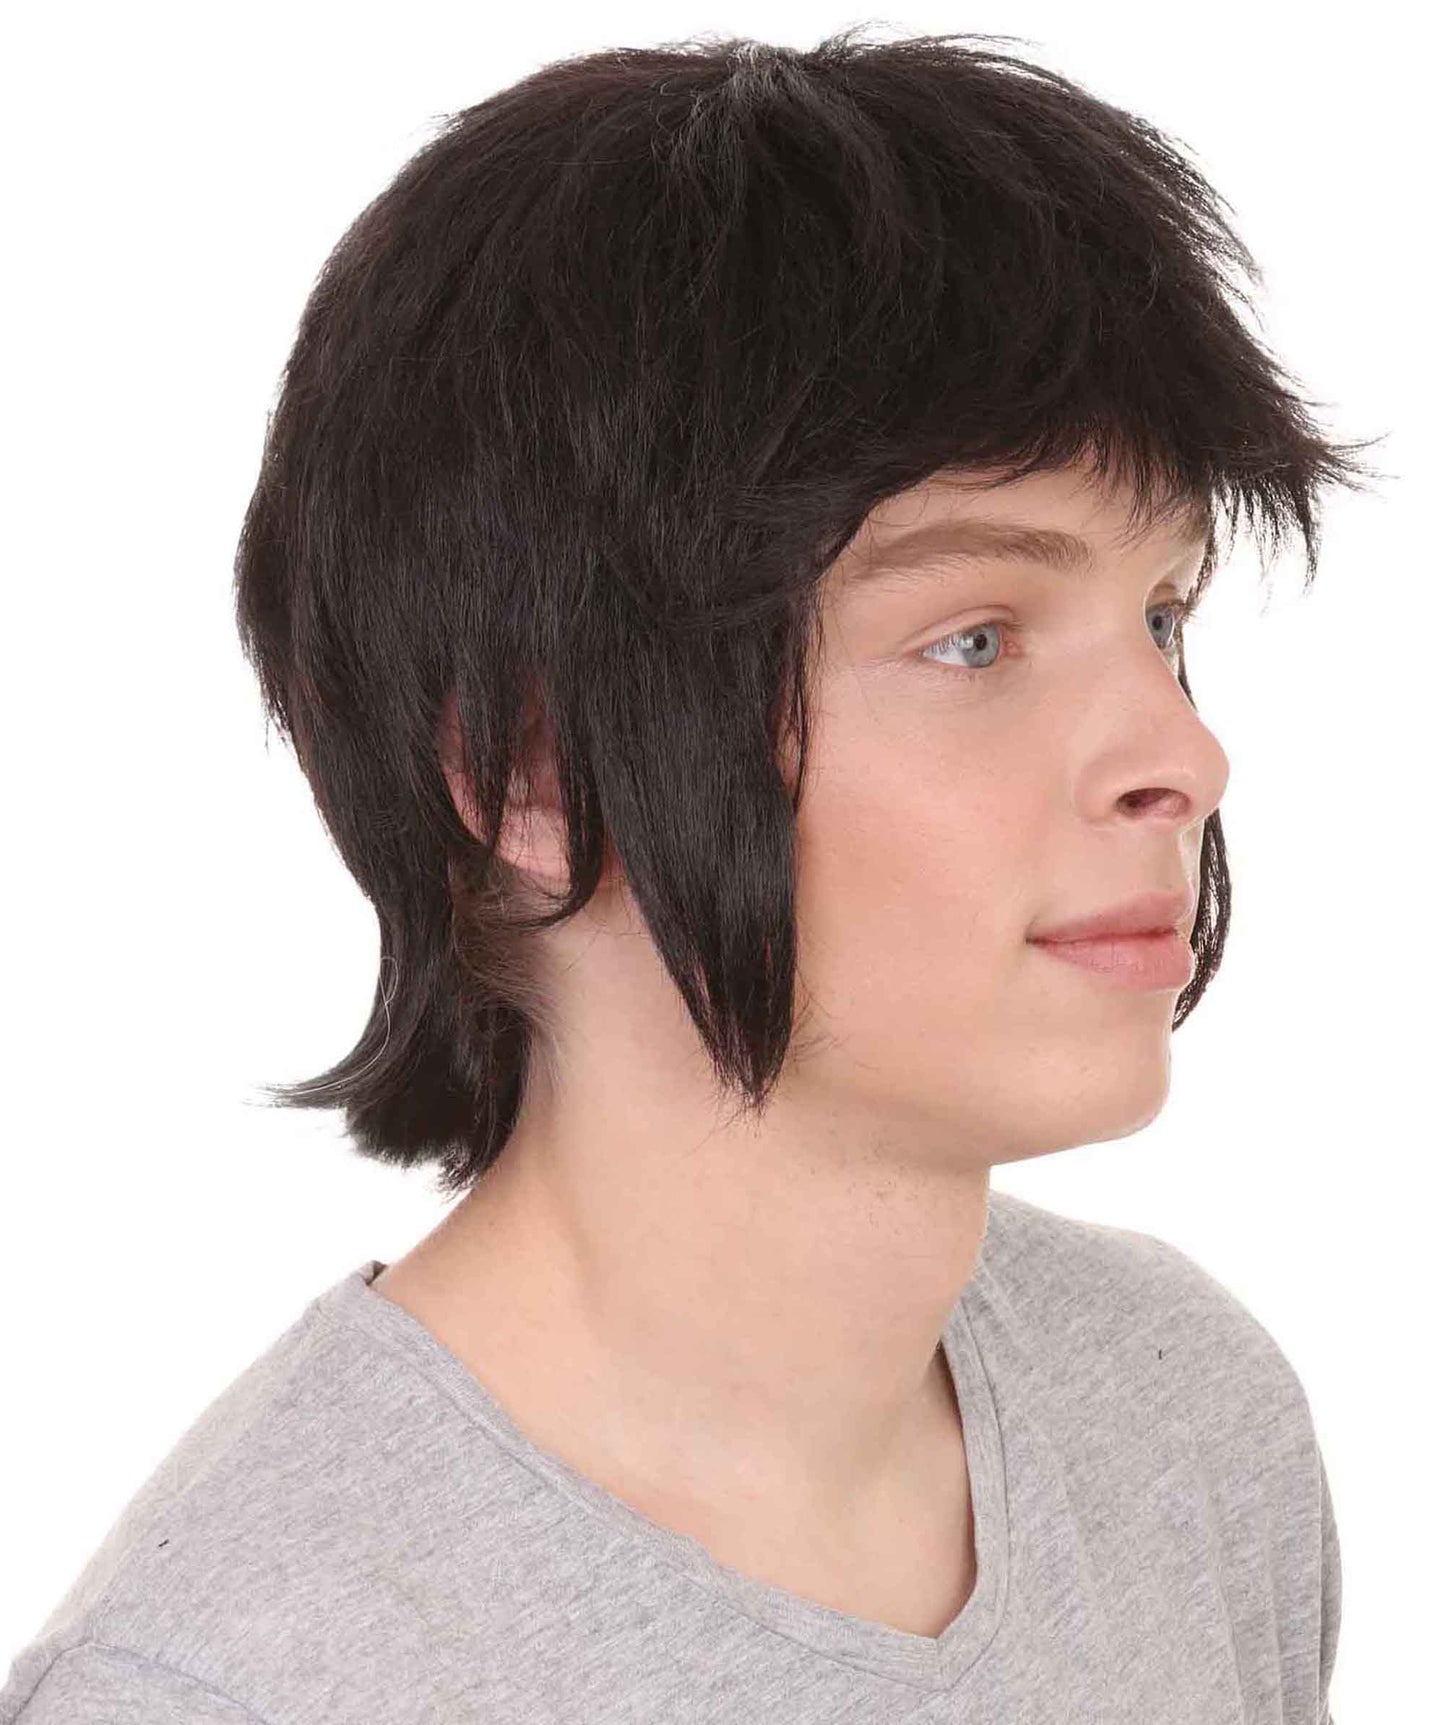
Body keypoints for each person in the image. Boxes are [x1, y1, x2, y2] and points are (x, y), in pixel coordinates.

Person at [2, 27, 1376, 1723]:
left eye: (1161, 614)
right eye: (972, 637)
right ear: (533, 771)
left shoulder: (1181, 1414)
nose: (1182, 753)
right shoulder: (237, 1684)